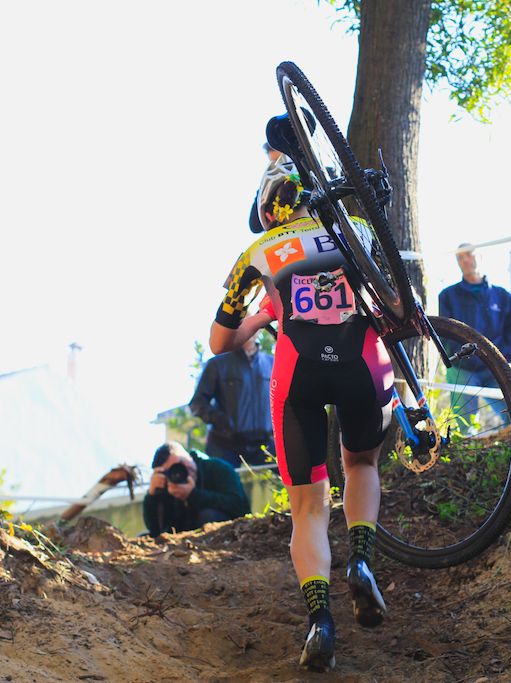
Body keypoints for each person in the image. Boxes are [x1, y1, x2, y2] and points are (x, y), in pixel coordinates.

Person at [209, 124, 393, 671]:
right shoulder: (353, 226)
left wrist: (266, 312)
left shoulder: (258, 249)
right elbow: (387, 298)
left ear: (267, 210)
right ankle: (361, 560)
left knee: (307, 505)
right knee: (361, 463)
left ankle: (320, 619)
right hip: (361, 361)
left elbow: (220, 342)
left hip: (297, 374)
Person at [438, 244, 511, 427]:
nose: (465, 260)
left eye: (469, 254)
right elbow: (443, 332)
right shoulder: (447, 295)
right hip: (462, 369)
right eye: (460, 257)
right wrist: (458, 357)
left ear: (480, 257)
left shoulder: (502, 295)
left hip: (495, 367)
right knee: (464, 426)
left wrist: (503, 355)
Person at [189, 333, 275, 467]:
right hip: (224, 444)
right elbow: (197, 403)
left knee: (292, 474)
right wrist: (222, 421)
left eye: (251, 322)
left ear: (259, 329)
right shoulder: (216, 364)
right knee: (221, 484)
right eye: (241, 324)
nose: (248, 329)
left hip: (264, 445)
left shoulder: (272, 363)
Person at [143, 442, 250, 538]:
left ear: (188, 455)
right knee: (143, 536)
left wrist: (192, 495)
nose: (183, 469)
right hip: (184, 544)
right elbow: (155, 529)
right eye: (174, 470)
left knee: (209, 515)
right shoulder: (168, 486)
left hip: (230, 535)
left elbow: (238, 505)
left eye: (181, 461)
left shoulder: (218, 468)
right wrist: (152, 495)